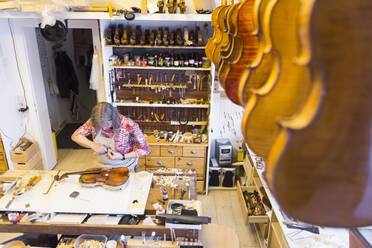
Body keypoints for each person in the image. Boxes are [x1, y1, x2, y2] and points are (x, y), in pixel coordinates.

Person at [71, 102, 150, 172]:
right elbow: (75, 135)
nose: (104, 128)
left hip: (124, 167)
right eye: (100, 126)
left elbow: (145, 150)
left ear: (113, 118)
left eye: (107, 124)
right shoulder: (94, 121)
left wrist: (122, 156)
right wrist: (93, 145)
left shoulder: (129, 125)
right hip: (100, 167)